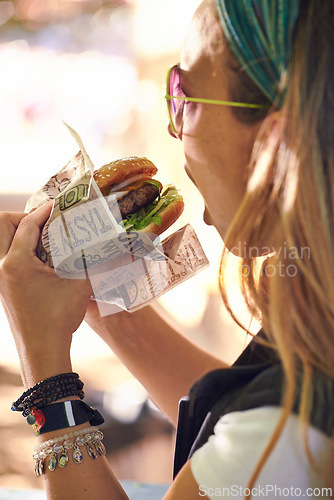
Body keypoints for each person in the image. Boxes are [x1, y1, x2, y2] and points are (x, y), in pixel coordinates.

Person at [0, 0, 333, 498]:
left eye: (186, 95)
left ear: (274, 145)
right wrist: (106, 305)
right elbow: (236, 412)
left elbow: (261, 431)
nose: (175, 128)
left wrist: (47, 373)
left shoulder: (288, 435)